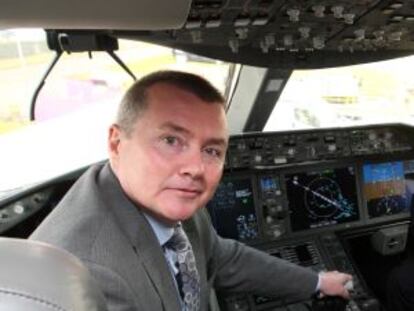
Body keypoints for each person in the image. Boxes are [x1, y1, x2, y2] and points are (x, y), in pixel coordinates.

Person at [30, 70, 352, 311]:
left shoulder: (168, 199)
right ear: (117, 143)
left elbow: (222, 258)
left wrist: (318, 282)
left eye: (211, 151)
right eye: (171, 141)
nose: (195, 168)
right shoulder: (90, 276)